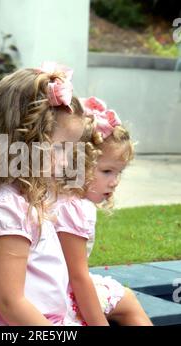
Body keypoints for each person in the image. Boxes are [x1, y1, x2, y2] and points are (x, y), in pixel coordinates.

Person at [0, 62, 87, 326]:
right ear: (21, 145)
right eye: (59, 149)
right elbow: (9, 302)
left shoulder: (24, 199)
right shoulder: (10, 208)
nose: (68, 162)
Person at [55, 96, 153, 326]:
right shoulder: (74, 209)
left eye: (119, 173)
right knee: (128, 302)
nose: (114, 181)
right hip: (59, 292)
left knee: (126, 298)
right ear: (77, 164)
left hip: (57, 282)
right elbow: (77, 278)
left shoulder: (62, 199)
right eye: (107, 171)